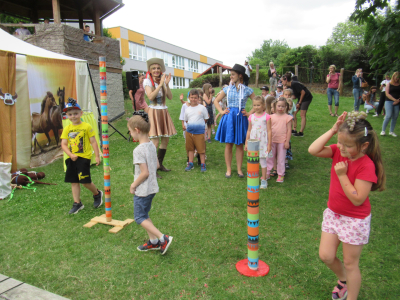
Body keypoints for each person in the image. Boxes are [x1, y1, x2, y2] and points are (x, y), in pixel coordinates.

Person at [308, 111, 385, 300]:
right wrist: (333, 130)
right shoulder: (338, 151)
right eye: (340, 142)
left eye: (347, 145)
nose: (341, 148)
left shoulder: (366, 166)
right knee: (326, 255)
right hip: (334, 214)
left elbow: (358, 198)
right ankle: (343, 280)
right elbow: (313, 150)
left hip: (354, 220)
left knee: (351, 263)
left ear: (364, 146)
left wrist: (342, 176)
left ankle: (351, 296)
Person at [127, 111, 173, 255]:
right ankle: (153, 242)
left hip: (143, 189)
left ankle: (162, 238)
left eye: (129, 131)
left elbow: (145, 172)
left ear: (136, 130)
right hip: (152, 187)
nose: (130, 134)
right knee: (144, 214)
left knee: (139, 217)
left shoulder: (138, 150)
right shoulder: (152, 145)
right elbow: (157, 166)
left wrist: (133, 185)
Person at [60, 98, 103, 214]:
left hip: (84, 157)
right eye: (70, 114)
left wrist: (97, 156)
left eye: (75, 113)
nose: (73, 116)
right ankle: (77, 203)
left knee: (85, 181)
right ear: (67, 115)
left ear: (81, 113)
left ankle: (97, 193)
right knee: (74, 181)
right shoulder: (67, 129)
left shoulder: (86, 127)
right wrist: (70, 154)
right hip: (71, 158)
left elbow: (93, 141)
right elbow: (63, 144)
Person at [214, 64, 256, 178]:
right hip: (229, 118)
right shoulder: (227, 89)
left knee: (239, 145)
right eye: (231, 75)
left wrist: (249, 113)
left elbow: (257, 102)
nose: (231, 77)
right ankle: (228, 169)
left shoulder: (247, 90)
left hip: (241, 118)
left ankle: (239, 169)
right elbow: (216, 101)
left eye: (233, 75)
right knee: (229, 144)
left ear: (240, 75)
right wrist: (222, 112)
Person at [143, 58, 177, 178]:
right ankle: (152, 169)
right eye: (154, 68)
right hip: (154, 112)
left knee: (165, 139)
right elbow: (151, 96)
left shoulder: (162, 81)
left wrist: (166, 84)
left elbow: (170, 97)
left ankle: (159, 164)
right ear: (150, 70)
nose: (156, 70)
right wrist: (161, 84)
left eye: (158, 68)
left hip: (163, 111)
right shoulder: (147, 82)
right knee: (155, 141)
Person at [245, 96, 271, 189]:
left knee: (263, 162)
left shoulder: (267, 117)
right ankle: (254, 178)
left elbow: (269, 131)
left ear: (263, 105)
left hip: (263, 142)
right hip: (253, 143)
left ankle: (264, 180)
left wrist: (269, 144)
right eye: (254, 105)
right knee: (253, 161)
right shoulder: (251, 117)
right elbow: (249, 130)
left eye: (258, 105)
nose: (256, 107)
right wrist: (246, 143)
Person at [267, 97, 292, 183]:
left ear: (286, 107)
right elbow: (268, 129)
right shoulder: (270, 117)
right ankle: (267, 172)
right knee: (270, 158)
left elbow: (289, 130)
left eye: (283, 106)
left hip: (282, 141)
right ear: (275, 106)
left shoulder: (288, 118)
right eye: (279, 106)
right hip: (272, 141)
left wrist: (287, 141)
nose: (280, 108)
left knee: (281, 159)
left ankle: (281, 174)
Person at [281, 72, 312, 137]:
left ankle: (301, 132)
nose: (282, 83)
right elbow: (295, 96)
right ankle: (294, 129)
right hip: (301, 98)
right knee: (294, 113)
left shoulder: (294, 84)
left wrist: (299, 103)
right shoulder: (290, 86)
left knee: (302, 114)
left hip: (306, 98)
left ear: (285, 80)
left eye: (282, 81)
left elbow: (303, 92)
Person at [184, 89, 209, 172]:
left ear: (198, 98)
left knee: (201, 149)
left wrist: (199, 126)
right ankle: (190, 163)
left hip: (199, 133)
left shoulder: (202, 108)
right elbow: (187, 120)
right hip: (189, 132)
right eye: (191, 97)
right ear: (189, 98)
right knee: (190, 149)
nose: (193, 99)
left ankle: (203, 164)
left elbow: (205, 119)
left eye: (195, 98)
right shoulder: (187, 109)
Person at [381, 71, 400, 137]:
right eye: (396, 77)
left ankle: (391, 131)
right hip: (389, 101)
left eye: (398, 78)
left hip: (397, 102)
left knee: (395, 117)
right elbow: (387, 94)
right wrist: (395, 100)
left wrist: (398, 101)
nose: (397, 79)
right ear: (393, 77)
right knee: (388, 115)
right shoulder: (389, 84)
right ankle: (383, 130)